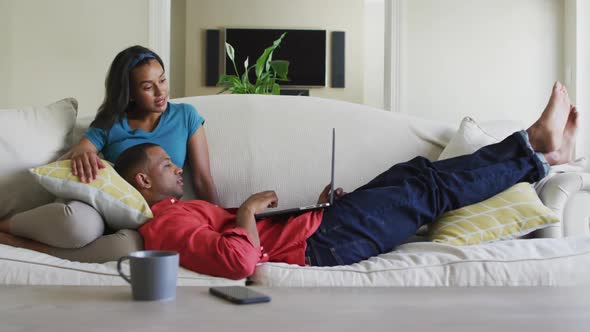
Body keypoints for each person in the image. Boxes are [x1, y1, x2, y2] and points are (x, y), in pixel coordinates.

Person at [105, 82, 579, 280]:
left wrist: (315, 207)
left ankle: (542, 152)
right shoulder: (163, 227)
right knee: (424, 191)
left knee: (413, 174)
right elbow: (238, 262)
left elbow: (245, 243)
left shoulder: (176, 213)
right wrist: (246, 210)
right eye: (168, 166)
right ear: (144, 182)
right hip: (320, 247)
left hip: (319, 228)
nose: (179, 168)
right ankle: (537, 148)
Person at [0, 45, 219, 262]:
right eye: (147, 87)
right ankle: (5, 225)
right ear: (130, 93)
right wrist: (85, 153)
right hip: (102, 208)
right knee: (76, 225)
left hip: (145, 220)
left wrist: (218, 222)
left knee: (128, 248)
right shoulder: (111, 123)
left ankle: (24, 245)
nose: (160, 91)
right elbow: (81, 149)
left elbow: (202, 178)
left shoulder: (185, 116)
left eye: (162, 80)